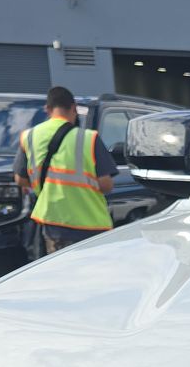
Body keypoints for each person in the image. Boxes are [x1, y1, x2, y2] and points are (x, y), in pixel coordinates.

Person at [13, 86, 116, 253]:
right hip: (91, 224)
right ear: (74, 108)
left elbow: (20, 179)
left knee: (61, 274)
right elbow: (106, 184)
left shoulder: (29, 136)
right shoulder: (89, 138)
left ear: (47, 109)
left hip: (53, 222)